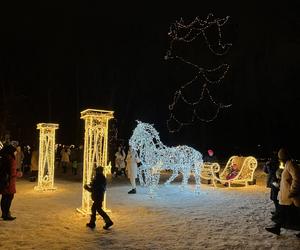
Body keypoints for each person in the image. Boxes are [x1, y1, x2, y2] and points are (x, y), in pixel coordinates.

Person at [265, 148, 300, 237]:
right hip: (286, 196)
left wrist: (293, 191)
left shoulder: (291, 164)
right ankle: (277, 228)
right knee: (283, 214)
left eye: (280, 158)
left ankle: (277, 228)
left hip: (290, 196)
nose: (279, 159)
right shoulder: (287, 164)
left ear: (284, 157)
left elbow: (297, 178)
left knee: (291, 214)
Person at [0, 144, 22, 220]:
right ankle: (6, 214)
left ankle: (4, 213)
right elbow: (12, 171)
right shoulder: (10, 159)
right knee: (9, 197)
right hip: (9, 181)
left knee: (4, 197)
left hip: (4, 180)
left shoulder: (3, 157)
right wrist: (17, 174)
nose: (15, 153)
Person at [263, 150, 280, 216]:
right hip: (272, 181)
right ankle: (278, 210)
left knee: (274, 197)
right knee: (272, 197)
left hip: (275, 182)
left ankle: (278, 211)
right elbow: (266, 171)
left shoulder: (276, 162)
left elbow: (272, 172)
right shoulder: (270, 162)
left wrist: (269, 165)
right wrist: (266, 165)